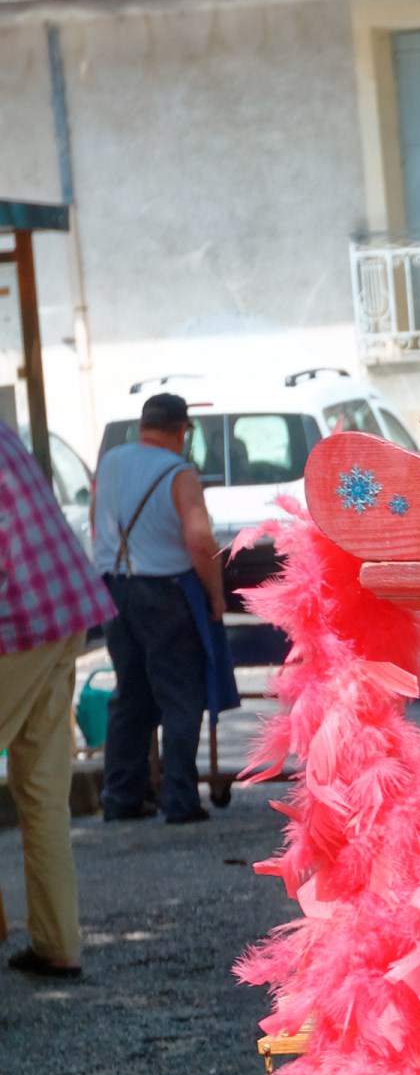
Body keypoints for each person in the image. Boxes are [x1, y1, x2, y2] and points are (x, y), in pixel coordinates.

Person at [0, 414, 112, 981]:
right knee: (42, 791)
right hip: (62, 609)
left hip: (17, 621)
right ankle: (58, 945)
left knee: (41, 791)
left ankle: (57, 944)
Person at [91, 389, 227, 826]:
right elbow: (199, 540)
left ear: (143, 425)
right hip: (165, 592)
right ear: (182, 430)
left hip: (115, 589)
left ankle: (121, 797)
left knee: (129, 696)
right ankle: (180, 800)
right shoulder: (179, 472)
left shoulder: (110, 463)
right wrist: (216, 594)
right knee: (180, 698)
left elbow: (96, 519)